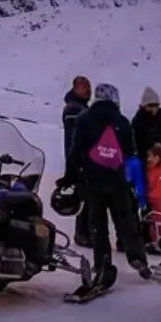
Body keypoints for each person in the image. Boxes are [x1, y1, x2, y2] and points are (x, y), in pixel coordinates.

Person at [61, 82, 152, 284]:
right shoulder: (123, 122)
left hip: (92, 182)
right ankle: (138, 259)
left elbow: (75, 152)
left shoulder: (85, 119)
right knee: (126, 221)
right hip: (117, 181)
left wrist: (70, 177)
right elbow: (130, 154)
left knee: (98, 225)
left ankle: (102, 264)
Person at [61, 76, 93, 246]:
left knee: (86, 195)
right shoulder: (74, 109)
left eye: (89, 87)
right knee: (86, 195)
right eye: (84, 87)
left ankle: (85, 232)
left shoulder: (78, 108)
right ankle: (83, 233)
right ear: (75, 88)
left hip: (79, 157)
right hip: (80, 158)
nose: (88, 90)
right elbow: (77, 137)